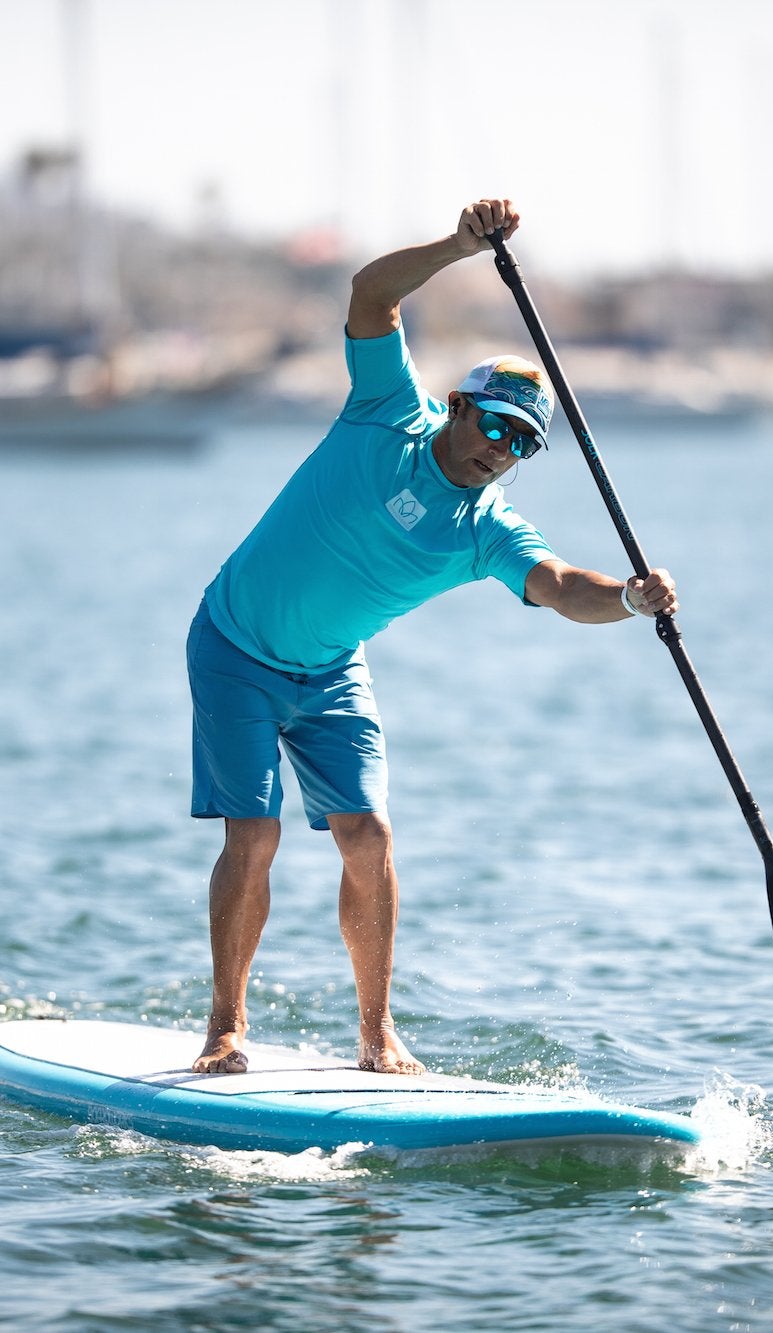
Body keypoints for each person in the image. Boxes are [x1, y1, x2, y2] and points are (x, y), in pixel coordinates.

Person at [187, 198, 678, 1076]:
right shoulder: (386, 410)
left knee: (368, 837)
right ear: (459, 406)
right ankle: (227, 1027)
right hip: (233, 646)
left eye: (523, 443)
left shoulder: (489, 529)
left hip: (331, 671)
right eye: (495, 424)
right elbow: (372, 295)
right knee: (253, 835)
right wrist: (459, 247)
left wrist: (634, 600)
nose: (501, 449)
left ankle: (376, 1035)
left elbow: (566, 588)